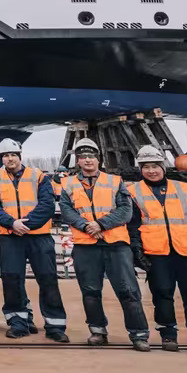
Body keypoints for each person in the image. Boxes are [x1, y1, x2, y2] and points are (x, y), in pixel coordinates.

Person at [127, 146, 187, 354]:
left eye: (155, 166)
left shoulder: (182, 188)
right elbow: (132, 226)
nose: (151, 171)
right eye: (146, 167)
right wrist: (137, 252)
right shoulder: (133, 192)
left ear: (163, 167)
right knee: (162, 294)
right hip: (156, 254)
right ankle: (168, 336)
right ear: (140, 170)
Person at [57, 138, 150, 351]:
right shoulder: (68, 184)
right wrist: (85, 225)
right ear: (78, 161)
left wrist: (100, 224)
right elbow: (67, 211)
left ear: (98, 159)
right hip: (85, 245)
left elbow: (125, 211)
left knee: (128, 290)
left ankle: (139, 334)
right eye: (83, 157)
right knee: (90, 291)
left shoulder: (115, 181)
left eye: (91, 156)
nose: (87, 160)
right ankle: (97, 331)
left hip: (116, 245)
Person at [0, 138, 68, 342]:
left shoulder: (39, 177)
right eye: (5, 156)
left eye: (13, 155)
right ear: (1, 158)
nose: (9, 159)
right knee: (12, 279)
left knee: (47, 279)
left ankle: (55, 326)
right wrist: (12, 224)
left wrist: (26, 225)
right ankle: (18, 323)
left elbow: (47, 205)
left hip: (38, 236)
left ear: (20, 156)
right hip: (10, 237)